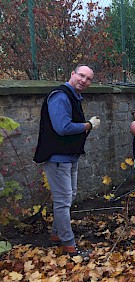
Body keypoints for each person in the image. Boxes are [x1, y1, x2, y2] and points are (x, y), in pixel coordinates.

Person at [33, 64, 100, 260]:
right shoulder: (61, 96)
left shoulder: (73, 96)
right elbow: (62, 127)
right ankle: (70, 245)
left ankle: (57, 234)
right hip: (57, 158)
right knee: (63, 202)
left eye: (88, 79)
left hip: (69, 157)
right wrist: (88, 125)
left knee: (69, 196)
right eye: (81, 75)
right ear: (72, 74)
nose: (84, 80)